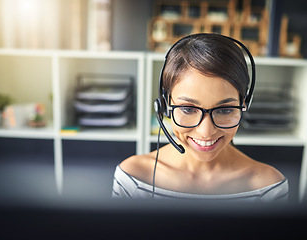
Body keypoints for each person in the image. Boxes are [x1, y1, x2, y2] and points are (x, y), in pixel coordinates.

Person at [112, 33, 288, 202]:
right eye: (188, 109)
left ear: (244, 105)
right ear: (165, 106)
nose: (206, 132)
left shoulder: (269, 186)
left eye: (225, 110)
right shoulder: (131, 177)